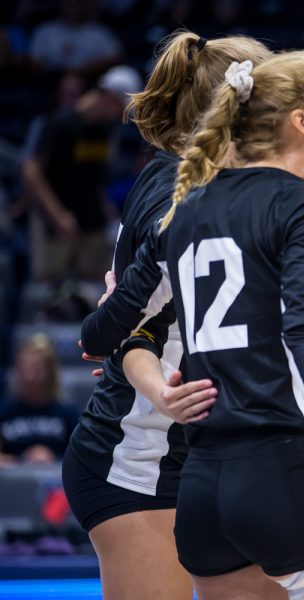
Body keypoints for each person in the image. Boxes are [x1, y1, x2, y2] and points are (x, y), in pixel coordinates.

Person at [84, 50, 304, 600]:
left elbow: (101, 336)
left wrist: (111, 313)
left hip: (202, 486)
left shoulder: (186, 207)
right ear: (301, 122)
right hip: (286, 470)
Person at [64, 31, 276, 600]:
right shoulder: (177, 193)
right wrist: (147, 371)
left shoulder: (242, 189)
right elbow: (115, 332)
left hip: (216, 455)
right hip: (141, 458)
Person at [21, 63, 142, 285]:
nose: (120, 115)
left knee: (95, 286)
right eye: (120, 107)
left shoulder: (106, 130)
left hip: (91, 219)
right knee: (49, 286)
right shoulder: (60, 124)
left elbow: (96, 175)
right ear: (109, 97)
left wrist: (107, 210)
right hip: (55, 221)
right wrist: (58, 215)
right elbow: (31, 171)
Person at [0, 334, 78, 465]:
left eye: (36, 369)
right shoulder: (4, 412)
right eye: (23, 368)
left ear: (49, 373)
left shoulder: (68, 414)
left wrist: (52, 459)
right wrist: (22, 460)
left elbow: (81, 459)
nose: (28, 376)